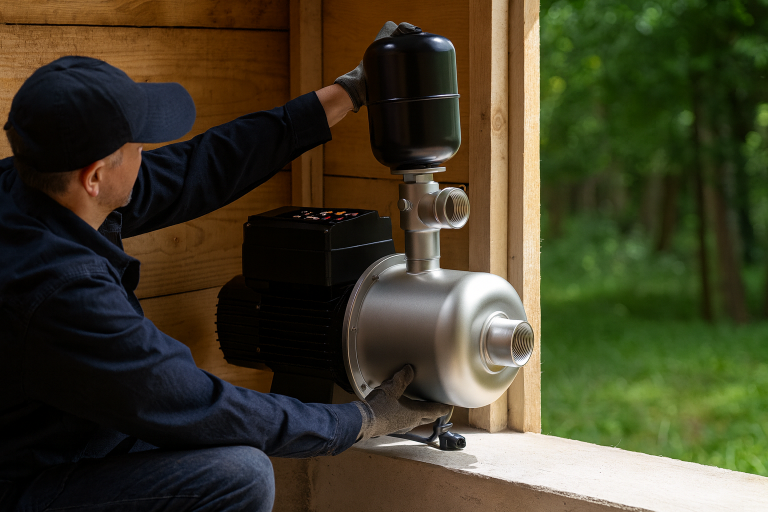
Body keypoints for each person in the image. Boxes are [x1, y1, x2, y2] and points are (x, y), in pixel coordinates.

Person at [0, 22, 450, 512]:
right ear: (94, 177)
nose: (146, 154)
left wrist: (348, 91)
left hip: (63, 436)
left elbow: (203, 167)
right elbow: (194, 401)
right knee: (239, 476)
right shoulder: (60, 291)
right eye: (136, 146)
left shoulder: (31, 185)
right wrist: (359, 421)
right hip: (29, 481)